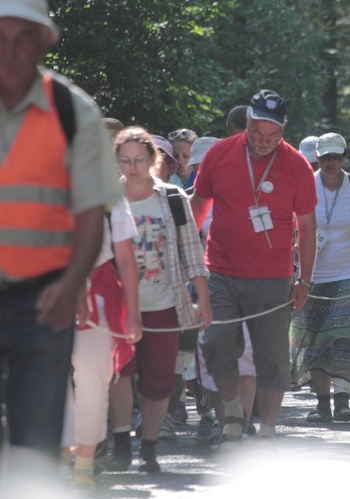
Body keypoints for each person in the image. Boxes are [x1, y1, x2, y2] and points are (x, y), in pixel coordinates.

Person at [0, 1, 121, 486]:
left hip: (45, 301)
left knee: (35, 449)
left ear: (44, 42)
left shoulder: (73, 111)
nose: (9, 51)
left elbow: (92, 216)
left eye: (22, 38)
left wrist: (71, 286)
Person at [191, 89, 317, 444]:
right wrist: (188, 260)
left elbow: (307, 228)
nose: (264, 143)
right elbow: (198, 206)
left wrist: (304, 279)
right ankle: (232, 411)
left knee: (272, 355)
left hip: (273, 276)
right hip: (221, 271)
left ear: (284, 128)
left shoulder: (297, 165)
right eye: (257, 134)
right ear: (246, 123)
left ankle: (268, 430)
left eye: (273, 136)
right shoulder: (219, 153)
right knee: (215, 343)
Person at [109, 127, 211, 472]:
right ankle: (122, 441)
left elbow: (191, 250)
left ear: (153, 160)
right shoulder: (108, 200)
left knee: (159, 380)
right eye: (126, 160)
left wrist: (204, 300)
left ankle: (149, 448)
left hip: (165, 303)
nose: (133, 167)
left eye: (140, 159)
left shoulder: (171, 198)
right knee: (119, 374)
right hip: (119, 304)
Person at [289, 133, 350, 423]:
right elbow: (290, 225)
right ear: (317, 157)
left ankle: (343, 401)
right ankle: (322, 404)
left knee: (345, 335)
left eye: (337, 157)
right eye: (326, 157)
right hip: (311, 273)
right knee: (315, 338)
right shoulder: (303, 184)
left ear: (345, 158)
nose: (331, 162)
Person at [66, 196, 141, 493]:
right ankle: (58, 459)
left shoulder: (110, 196)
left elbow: (125, 257)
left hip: (99, 296)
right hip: (42, 293)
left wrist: (133, 313)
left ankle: (84, 464)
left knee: (93, 382)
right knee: (50, 383)